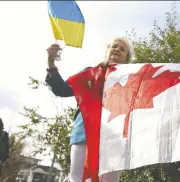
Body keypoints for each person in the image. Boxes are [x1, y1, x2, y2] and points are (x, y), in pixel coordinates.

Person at [45, 37, 134, 182]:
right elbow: (61, 89)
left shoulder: (131, 79)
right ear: (107, 51)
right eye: (114, 46)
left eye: (122, 49)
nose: (117, 49)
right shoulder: (89, 73)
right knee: (78, 178)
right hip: (84, 133)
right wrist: (51, 62)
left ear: (126, 59)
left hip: (115, 136)